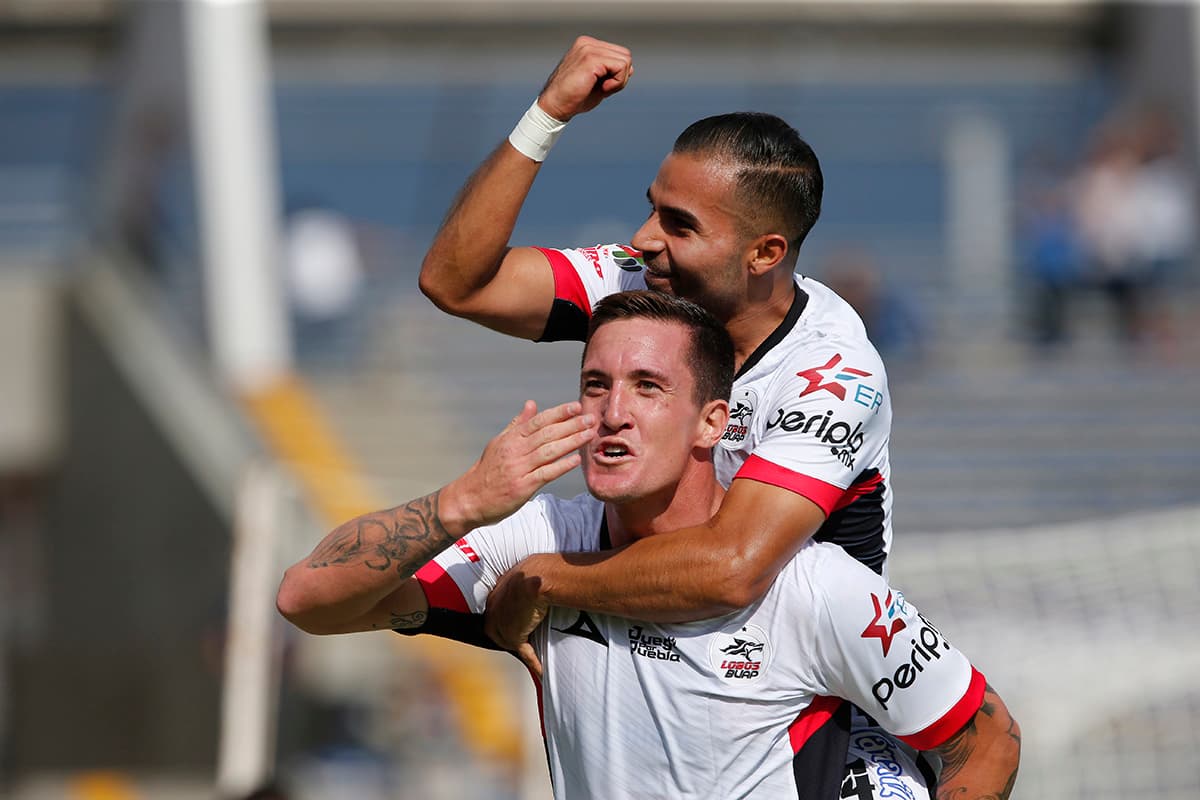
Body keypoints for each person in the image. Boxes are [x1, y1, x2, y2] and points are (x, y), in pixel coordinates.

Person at [277, 291, 1021, 799]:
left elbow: (987, 740)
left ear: (712, 422)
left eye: (648, 387)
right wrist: (461, 503)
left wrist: (548, 582)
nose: (614, 414)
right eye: (595, 385)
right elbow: (306, 598)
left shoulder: (816, 587)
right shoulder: (538, 538)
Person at [417, 36, 893, 651]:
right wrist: (548, 115)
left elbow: (731, 568)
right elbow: (456, 282)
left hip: (803, 706)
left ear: (765, 253)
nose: (642, 239)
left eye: (680, 225)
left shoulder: (831, 370)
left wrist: (540, 579)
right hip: (662, 661)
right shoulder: (646, 281)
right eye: (653, 209)